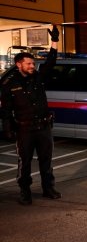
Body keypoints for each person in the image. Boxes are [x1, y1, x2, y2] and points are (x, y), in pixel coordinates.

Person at [1, 25, 61, 205]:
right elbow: (5, 109)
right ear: (18, 64)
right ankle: (24, 191)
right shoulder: (9, 84)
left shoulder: (38, 78)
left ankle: (48, 188)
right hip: (24, 129)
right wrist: (8, 128)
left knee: (46, 161)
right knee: (24, 163)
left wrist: (55, 41)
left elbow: (51, 62)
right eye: (28, 63)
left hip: (43, 127)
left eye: (33, 64)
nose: (32, 66)